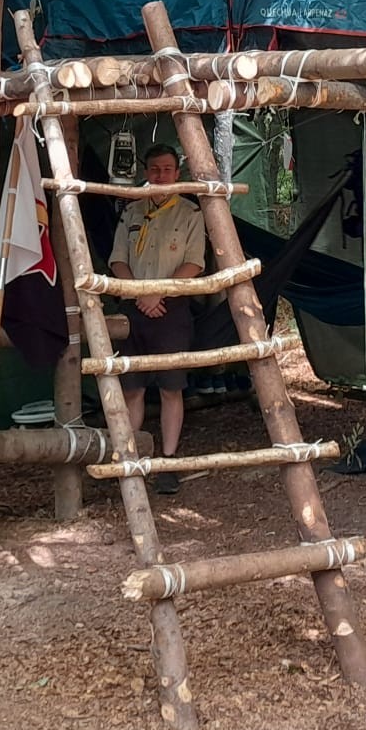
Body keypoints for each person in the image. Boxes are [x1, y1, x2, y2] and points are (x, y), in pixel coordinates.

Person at [108, 143, 209, 496]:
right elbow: (117, 260)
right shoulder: (131, 212)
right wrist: (139, 295)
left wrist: (158, 294)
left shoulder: (191, 214)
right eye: (154, 169)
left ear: (176, 173)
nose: (161, 175)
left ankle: (168, 462)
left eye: (167, 169)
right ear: (146, 173)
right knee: (132, 387)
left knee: (170, 388)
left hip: (171, 309)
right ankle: (130, 458)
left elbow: (194, 264)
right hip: (133, 309)